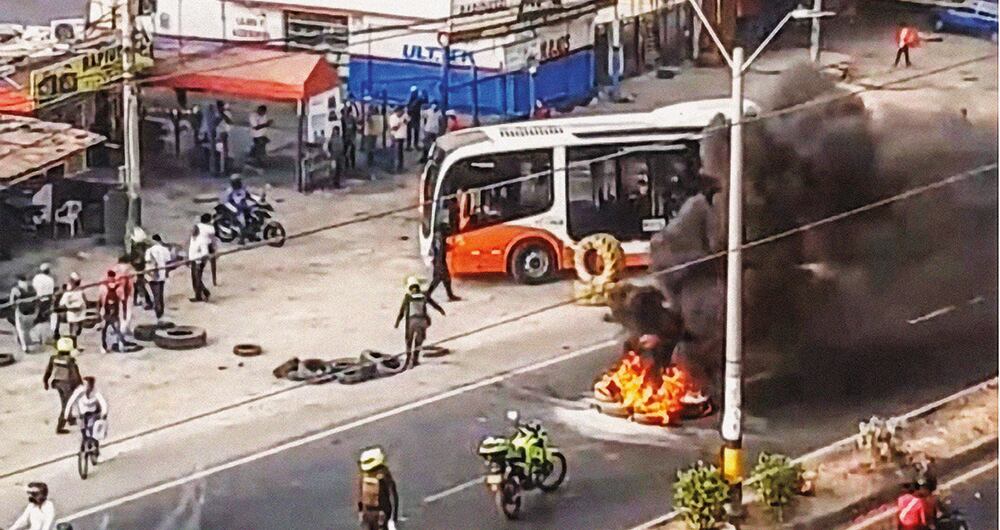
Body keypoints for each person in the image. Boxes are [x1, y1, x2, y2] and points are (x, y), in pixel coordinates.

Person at [394, 276, 445, 369]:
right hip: (422, 321)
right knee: (418, 341)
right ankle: (415, 360)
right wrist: (441, 311)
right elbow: (434, 304)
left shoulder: (408, 297)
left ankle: (408, 360)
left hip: (411, 322)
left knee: (409, 341)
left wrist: (397, 322)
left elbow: (402, 311)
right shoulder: (424, 295)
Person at [43, 337, 82, 434]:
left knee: (64, 401)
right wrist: (79, 384)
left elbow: (48, 371)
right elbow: (74, 374)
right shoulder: (70, 360)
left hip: (57, 383)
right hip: (67, 384)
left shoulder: (53, 358)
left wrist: (45, 381)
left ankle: (70, 418)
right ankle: (60, 427)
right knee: (67, 405)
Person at [65, 376, 108, 460]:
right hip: (82, 413)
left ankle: (95, 447)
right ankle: (83, 448)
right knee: (83, 430)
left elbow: (103, 402)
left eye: (90, 385)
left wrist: (104, 413)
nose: (88, 387)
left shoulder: (96, 392)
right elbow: (71, 401)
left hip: (93, 413)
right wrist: (67, 414)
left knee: (92, 429)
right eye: (87, 384)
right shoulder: (80, 391)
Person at [357, 446, 398, 530]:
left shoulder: (363, 476)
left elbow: (360, 496)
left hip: (369, 514)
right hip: (381, 515)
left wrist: (360, 512)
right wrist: (393, 519)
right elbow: (393, 497)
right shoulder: (384, 475)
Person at [426, 219, 461, 302]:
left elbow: (443, 248)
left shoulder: (440, 237)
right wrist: (439, 264)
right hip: (439, 261)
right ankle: (428, 295)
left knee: (444, 279)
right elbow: (439, 251)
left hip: (440, 261)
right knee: (439, 279)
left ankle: (449, 295)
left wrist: (452, 247)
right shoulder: (439, 238)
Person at [144, 234, 172, 322]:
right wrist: (166, 273)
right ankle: (161, 313)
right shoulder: (165, 250)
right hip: (162, 274)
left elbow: (149, 262)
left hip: (152, 276)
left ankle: (159, 315)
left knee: (156, 296)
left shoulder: (149, 250)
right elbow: (168, 263)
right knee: (160, 295)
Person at [98, 271, 126, 353]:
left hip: (107, 313)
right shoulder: (119, 287)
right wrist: (124, 312)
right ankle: (120, 346)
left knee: (105, 330)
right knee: (115, 330)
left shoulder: (103, 287)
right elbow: (123, 301)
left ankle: (105, 346)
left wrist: (98, 313)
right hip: (111, 313)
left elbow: (99, 301)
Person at [9, 275, 38, 355]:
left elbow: (12, 303)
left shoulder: (16, 289)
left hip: (21, 312)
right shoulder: (32, 288)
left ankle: (25, 347)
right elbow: (36, 300)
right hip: (31, 312)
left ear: (19, 281)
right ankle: (29, 342)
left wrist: (15, 305)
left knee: (21, 330)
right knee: (28, 329)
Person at [188, 216, 213, 302]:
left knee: (197, 279)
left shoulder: (202, 240)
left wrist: (199, 259)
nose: (192, 231)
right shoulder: (192, 238)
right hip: (193, 260)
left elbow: (205, 253)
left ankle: (201, 295)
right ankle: (203, 293)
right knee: (195, 279)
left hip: (199, 262)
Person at [57, 273, 86, 342]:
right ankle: (73, 344)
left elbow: (84, 300)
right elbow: (62, 304)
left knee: (77, 328)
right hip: (72, 311)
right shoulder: (68, 292)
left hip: (80, 311)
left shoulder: (80, 291)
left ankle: (73, 339)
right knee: (73, 327)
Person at [111, 255, 135, 337]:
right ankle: (125, 328)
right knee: (128, 310)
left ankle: (118, 327)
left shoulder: (114, 268)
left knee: (117, 310)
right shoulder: (129, 268)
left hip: (115, 292)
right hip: (126, 292)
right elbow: (132, 281)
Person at [32, 263, 56, 337]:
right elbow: (51, 291)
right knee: (47, 316)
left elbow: (34, 287)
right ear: (48, 271)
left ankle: (35, 331)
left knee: (37, 314)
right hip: (48, 300)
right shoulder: (50, 279)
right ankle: (48, 332)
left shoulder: (37, 277)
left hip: (39, 298)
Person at [388, 106, 409, 173]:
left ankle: (400, 167)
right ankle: (394, 167)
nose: (402, 114)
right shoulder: (392, 117)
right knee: (395, 152)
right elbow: (393, 128)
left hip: (402, 136)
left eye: (402, 112)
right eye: (400, 112)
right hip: (395, 136)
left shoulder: (405, 115)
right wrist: (400, 124)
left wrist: (404, 122)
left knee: (400, 153)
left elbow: (407, 120)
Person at [364, 103, 384, 171]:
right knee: (371, 149)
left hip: (371, 134)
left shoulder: (371, 117)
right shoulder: (374, 117)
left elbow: (370, 124)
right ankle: (370, 161)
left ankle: (370, 162)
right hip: (372, 134)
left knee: (370, 149)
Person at [405, 86, 424, 151]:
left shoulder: (416, 99)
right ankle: (409, 145)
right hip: (412, 117)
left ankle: (414, 145)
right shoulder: (414, 100)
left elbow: (424, 101)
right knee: (411, 132)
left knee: (415, 132)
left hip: (415, 117)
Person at [341, 106, 359, 173]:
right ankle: (348, 165)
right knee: (347, 152)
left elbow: (354, 128)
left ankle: (351, 165)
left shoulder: (350, 118)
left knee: (350, 152)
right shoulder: (344, 118)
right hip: (348, 137)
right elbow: (343, 128)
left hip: (349, 137)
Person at [328, 124, 345, 189]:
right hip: (334, 156)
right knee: (334, 170)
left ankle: (337, 183)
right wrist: (331, 154)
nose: (336, 132)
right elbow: (329, 147)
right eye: (335, 130)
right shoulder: (332, 139)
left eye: (337, 130)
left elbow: (343, 147)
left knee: (339, 170)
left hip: (340, 156)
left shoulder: (340, 138)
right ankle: (333, 183)